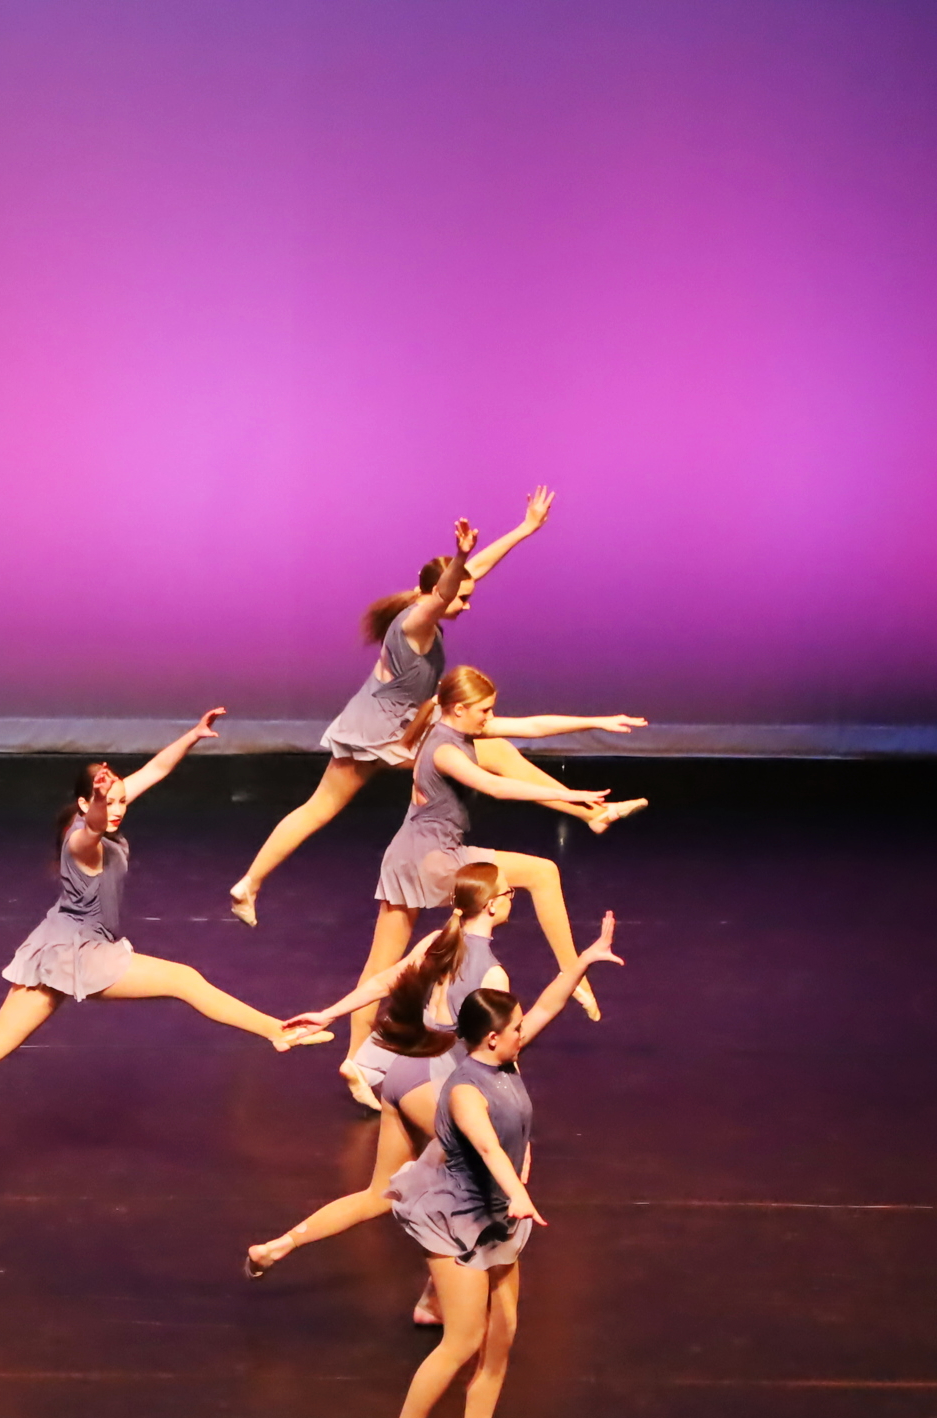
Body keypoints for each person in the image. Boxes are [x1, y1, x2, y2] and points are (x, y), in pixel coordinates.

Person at [0, 710, 330, 1170]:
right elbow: (92, 826)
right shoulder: (81, 840)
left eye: (122, 800)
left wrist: (191, 735)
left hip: (58, 944)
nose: (119, 809)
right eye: (109, 802)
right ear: (86, 802)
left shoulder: (109, 811)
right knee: (184, 980)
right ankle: (276, 1031)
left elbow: (156, 770)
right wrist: (99, 803)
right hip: (80, 951)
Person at [229, 491, 643, 926]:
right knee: (494, 753)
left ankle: (248, 883)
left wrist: (524, 529)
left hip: (382, 724)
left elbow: (472, 572)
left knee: (321, 807)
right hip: (383, 730)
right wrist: (460, 555)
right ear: (435, 595)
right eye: (460, 598)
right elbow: (448, 590)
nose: (466, 604)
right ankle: (592, 813)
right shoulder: (416, 623)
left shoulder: (422, 609)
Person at [381, 914, 624, 1418]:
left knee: (502, 1334)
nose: (523, 1031)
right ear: (492, 1037)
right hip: (458, 1221)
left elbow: (546, 1006)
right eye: (515, 1027)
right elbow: (489, 1149)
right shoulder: (465, 1091)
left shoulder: (505, 1057)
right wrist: (519, 1194)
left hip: (499, 1215)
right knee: (462, 1339)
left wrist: (582, 963)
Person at [242, 864, 512, 1310]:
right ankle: (437, 1300)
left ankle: (279, 1245)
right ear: (491, 905)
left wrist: (328, 1013)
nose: (510, 899)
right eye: (508, 893)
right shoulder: (494, 974)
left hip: (402, 1073)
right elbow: (496, 1054)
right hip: (437, 1086)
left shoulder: (439, 941)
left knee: (380, 1193)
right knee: (480, 1187)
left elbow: (387, 980)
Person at [345, 667, 641, 1056]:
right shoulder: (445, 750)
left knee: (381, 966)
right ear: (459, 709)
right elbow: (495, 786)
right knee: (543, 872)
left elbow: (533, 726)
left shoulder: (456, 727)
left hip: (406, 857)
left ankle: (354, 1059)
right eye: (484, 710)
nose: (490, 718)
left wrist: (597, 722)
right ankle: (573, 975)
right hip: (435, 858)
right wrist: (570, 795)